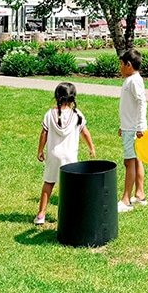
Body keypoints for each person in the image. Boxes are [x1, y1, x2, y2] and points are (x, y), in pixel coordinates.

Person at [34, 82, 95, 226]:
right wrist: (91, 147)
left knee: (48, 183)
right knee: (69, 187)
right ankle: (69, 214)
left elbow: (44, 133)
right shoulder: (77, 115)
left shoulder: (50, 114)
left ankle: (41, 215)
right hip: (70, 157)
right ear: (73, 98)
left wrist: (40, 150)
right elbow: (85, 132)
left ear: (56, 96)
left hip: (54, 155)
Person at [118, 49, 148, 212]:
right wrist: (123, 126)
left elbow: (142, 102)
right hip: (129, 128)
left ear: (128, 65)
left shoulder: (134, 81)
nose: (120, 68)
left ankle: (126, 199)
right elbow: (129, 107)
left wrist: (140, 126)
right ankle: (140, 194)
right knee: (136, 160)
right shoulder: (131, 80)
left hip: (134, 130)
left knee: (129, 162)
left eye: (121, 65)